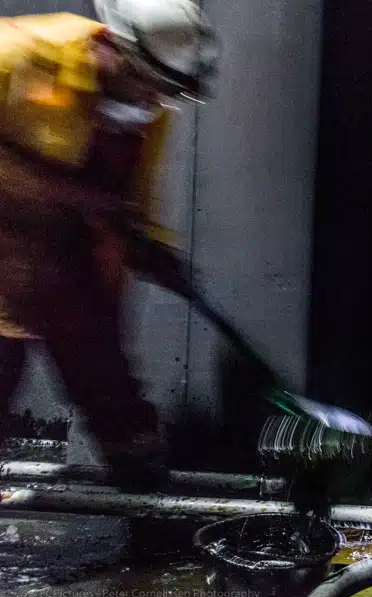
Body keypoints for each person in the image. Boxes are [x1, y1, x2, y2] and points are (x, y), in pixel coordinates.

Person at [0, 0, 218, 490]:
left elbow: (132, 198)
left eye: (164, 93)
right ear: (112, 48)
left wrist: (151, 245)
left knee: (117, 403)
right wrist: (69, 193)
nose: (152, 100)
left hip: (65, 265)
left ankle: (155, 525)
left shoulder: (146, 109)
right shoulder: (16, 54)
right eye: (146, 82)